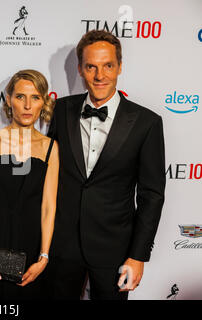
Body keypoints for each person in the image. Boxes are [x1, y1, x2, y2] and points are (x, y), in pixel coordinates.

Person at [46, 30, 166, 300]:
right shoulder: (60, 110)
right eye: (91, 67)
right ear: (80, 69)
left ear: (120, 67)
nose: (100, 76)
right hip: (62, 246)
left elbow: (152, 196)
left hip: (115, 248)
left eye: (108, 65)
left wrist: (137, 256)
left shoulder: (146, 123)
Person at [0, 69, 59, 300]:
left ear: (44, 102)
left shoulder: (51, 148)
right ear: (9, 100)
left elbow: (49, 207)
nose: (28, 105)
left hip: (30, 256)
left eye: (35, 97)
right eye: (20, 97)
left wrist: (44, 258)